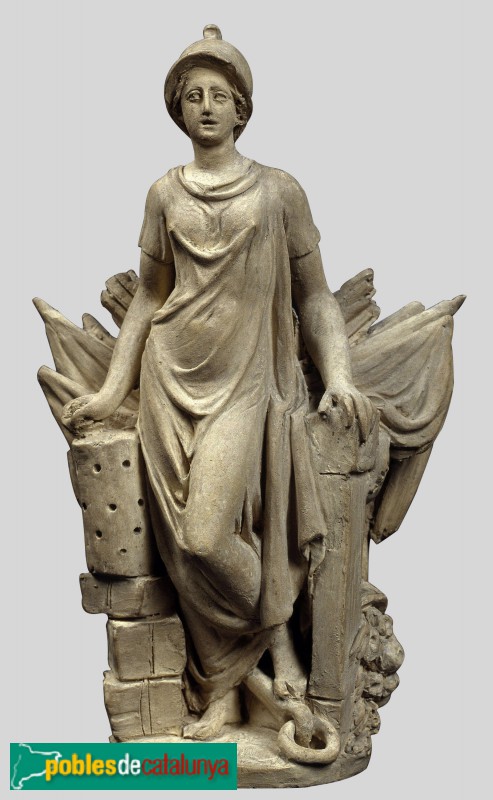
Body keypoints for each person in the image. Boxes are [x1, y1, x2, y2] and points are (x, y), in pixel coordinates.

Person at [63, 25, 375, 739]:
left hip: (245, 384)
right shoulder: (163, 194)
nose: (206, 106)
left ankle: (274, 643)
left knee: (205, 537)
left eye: (219, 95)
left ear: (242, 110)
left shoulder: (278, 191)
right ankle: (230, 690)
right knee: (181, 552)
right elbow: (150, 295)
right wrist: (112, 392)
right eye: (192, 96)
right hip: (169, 381)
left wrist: (339, 376)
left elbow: (315, 296)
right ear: (178, 110)